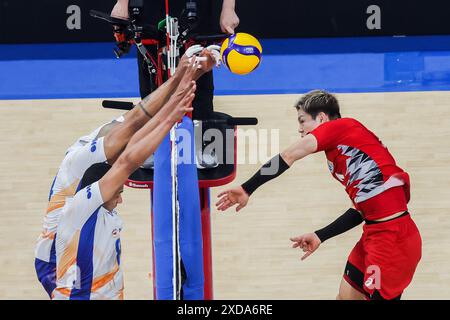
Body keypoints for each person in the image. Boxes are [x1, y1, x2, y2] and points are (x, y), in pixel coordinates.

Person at [35, 47, 218, 298]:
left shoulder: (95, 152)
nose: (121, 197)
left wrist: (185, 80)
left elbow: (135, 131)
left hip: (79, 255)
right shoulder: (79, 175)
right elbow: (130, 151)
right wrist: (181, 83)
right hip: (53, 264)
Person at [215, 90, 422, 300]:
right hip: (373, 232)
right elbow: (359, 211)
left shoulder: (340, 127)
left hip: (393, 240)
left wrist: (248, 187)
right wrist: (320, 235)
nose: (300, 129)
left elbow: (288, 156)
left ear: (322, 118)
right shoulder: (341, 149)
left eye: (303, 121)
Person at [110, 0, 239, 120]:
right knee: (151, 91)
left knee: (200, 99)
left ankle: (198, 132)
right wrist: (122, 3)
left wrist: (229, 8)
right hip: (150, 9)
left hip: (195, 6)